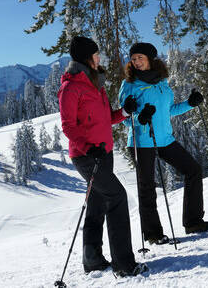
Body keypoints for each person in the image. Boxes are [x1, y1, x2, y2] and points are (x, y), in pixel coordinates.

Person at [58, 36, 149, 277]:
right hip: (86, 155)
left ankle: (93, 259)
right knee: (117, 196)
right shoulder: (71, 87)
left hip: (104, 153)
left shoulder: (96, 83)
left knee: (98, 202)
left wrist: (124, 112)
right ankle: (124, 264)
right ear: (87, 58)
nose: (100, 58)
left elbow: (107, 118)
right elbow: (67, 126)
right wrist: (88, 148)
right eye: (96, 55)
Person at [119, 42, 208, 245]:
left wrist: (190, 103)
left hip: (164, 139)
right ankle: (153, 234)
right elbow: (125, 117)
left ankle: (193, 222)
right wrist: (140, 118)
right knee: (147, 187)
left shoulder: (162, 82)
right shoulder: (129, 84)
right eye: (133, 58)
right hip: (141, 141)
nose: (136, 62)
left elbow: (169, 110)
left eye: (140, 58)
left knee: (193, 170)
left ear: (151, 60)